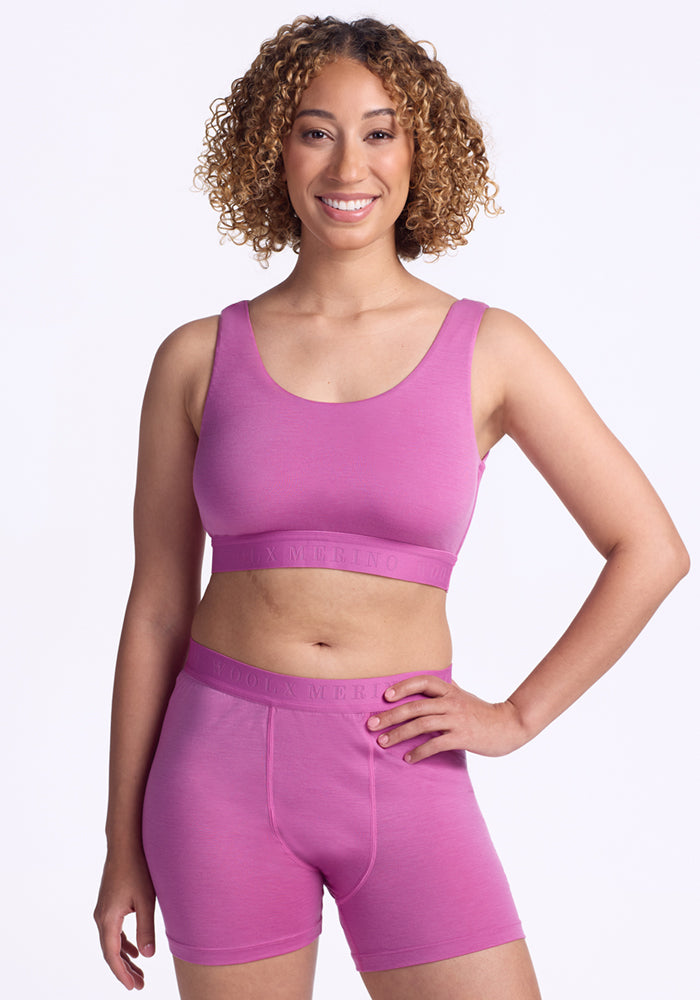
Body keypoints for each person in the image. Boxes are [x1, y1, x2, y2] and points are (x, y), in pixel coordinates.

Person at [93, 14, 689, 1000]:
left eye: (379, 130)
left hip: (401, 760)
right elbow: (158, 605)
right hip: (216, 772)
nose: (347, 163)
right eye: (314, 129)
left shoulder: (490, 348)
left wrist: (516, 716)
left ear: (420, 151)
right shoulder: (197, 357)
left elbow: (650, 547)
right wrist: (121, 840)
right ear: (272, 149)